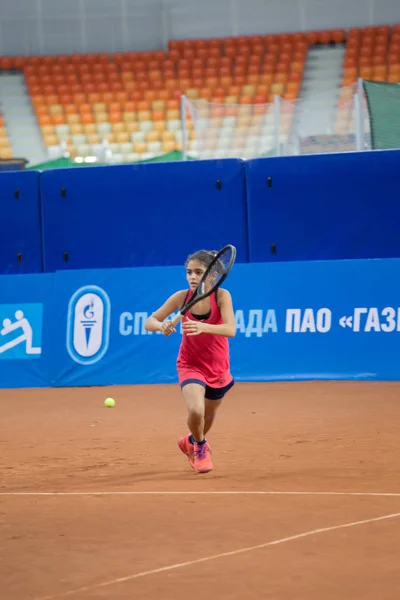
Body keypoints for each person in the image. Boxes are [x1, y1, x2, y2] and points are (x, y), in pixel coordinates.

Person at [144, 249, 236, 474]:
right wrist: (161, 326)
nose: (193, 277)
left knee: (207, 416)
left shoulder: (222, 296)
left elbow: (230, 330)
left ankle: (191, 441)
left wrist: (203, 326)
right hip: (190, 363)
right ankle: (201, 447)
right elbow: (150, 320)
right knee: (196, 410)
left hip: (217, 366)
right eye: (189, 272)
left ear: (212, 275)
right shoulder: (180, 297)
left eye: (198, 272)